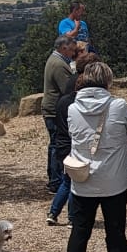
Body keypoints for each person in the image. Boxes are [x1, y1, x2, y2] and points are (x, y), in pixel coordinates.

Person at [63, 60, 127, 252]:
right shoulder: (118, 105)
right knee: (115, 234)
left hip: (82, 178)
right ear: (108, 81)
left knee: (79, 233)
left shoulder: (73, 108)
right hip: (114, 179)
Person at [42, 35, 80, 191]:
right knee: (57, 145)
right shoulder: (59, 65)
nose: (73, 53)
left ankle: (54, 178)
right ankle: (56, 181)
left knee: (54, 144)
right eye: (72, 50)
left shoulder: (56, 60)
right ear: (64, 48)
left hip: (51, 109)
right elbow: (67, 89)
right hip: (54, 110)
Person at [46, 79, 76, 226]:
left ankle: (53, 212)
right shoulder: (75, 105)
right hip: (72, 145)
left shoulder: (61, 102)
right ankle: (72, 217)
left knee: (66, 181)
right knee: (74, 182)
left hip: (61, 145)